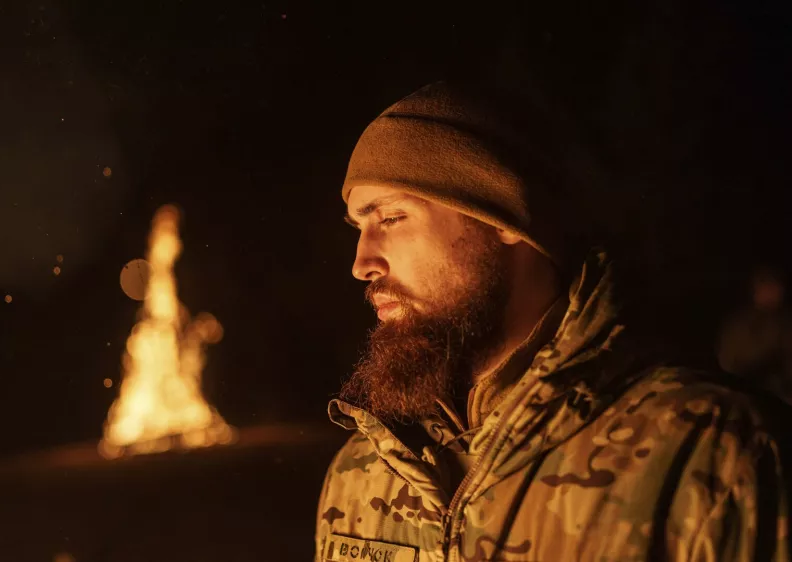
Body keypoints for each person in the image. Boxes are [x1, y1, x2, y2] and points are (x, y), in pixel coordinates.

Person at [315, 81, 791, 561]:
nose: (362, 263)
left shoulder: (711, 456)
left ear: (504, 218)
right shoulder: (363, 472)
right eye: (360, 226)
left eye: (393, 218)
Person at [718, 267, 792, 404]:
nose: (772, 292)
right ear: (755, 291)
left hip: (781, 397)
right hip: (746, 395)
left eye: (776, 287)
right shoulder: (739, 324)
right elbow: (728, 365)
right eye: (766, 286)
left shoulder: (786, 322)